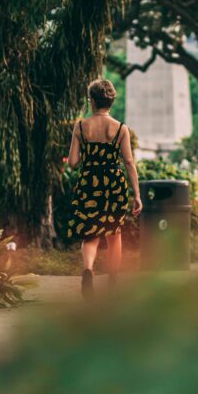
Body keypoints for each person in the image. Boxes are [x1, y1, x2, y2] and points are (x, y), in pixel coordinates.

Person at [67, 78, 142, 298]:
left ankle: (88, 270)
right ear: (110, 101)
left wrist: (87, 154)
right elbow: (129, 162)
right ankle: (112, 282)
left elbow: (72, 163)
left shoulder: (81, 126)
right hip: (113, 185)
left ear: (92, 100)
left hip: (89, 183)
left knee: (90, 234)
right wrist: (137, 194)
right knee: (114, 234)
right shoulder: (120, 129)